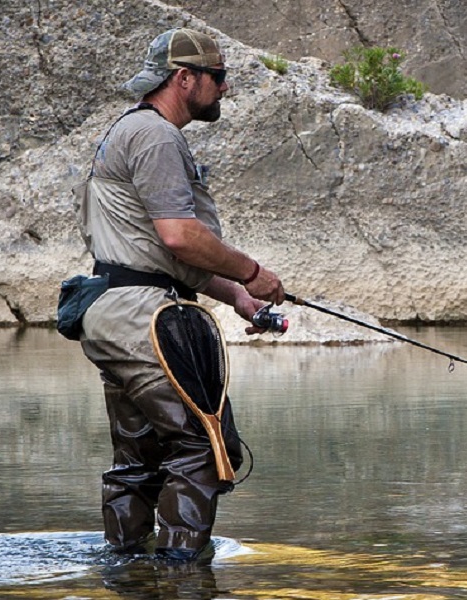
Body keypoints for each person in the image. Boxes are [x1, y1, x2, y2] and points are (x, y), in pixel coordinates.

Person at [76, 27, 285, 562]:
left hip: (113, 311)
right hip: (144, 319)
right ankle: (181, 574)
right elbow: (180, 236)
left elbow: (156, 253)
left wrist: (237, 296)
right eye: (217, 77)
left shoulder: (131, 132)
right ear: (184, 78)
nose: (225, 87)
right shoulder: (157, 136)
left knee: (140, 457)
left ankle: (125, 570)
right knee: (202, 447)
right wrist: (253, 271)